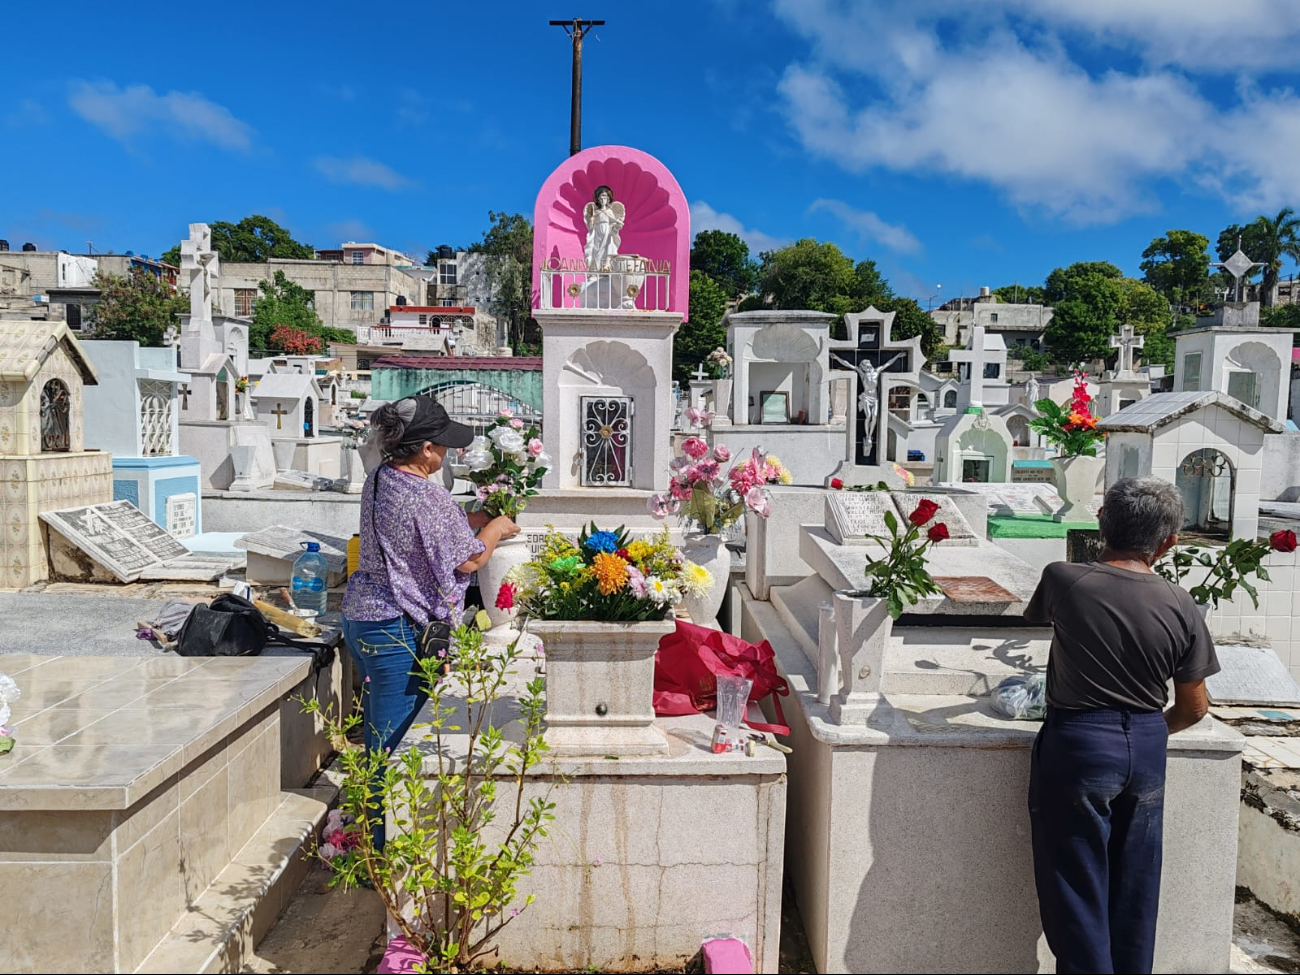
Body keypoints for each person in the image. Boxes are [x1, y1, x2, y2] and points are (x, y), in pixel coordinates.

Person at [1024, 477, 1220, 974]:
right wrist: (1142, 732)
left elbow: (1036, 620)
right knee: (1136, 885)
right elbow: (1195, 706)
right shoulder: (1182, 604)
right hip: (1149, 742)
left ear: (1101, 525)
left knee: (1076, 884)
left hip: (1081, 743)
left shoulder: (1065, 579)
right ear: (1168, 542)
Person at [341, 395, 519, 843]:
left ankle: (372, 834)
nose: (446, 453)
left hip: (362, 616)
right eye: (441, 445)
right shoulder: (427, 493)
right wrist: (495, 528)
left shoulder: (381, 478)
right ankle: (382, 854)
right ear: (424, 450)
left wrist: (469, 519)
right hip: (396, 626)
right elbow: (468, 562)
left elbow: (423, 530)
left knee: (378, 734)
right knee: (393, 744)